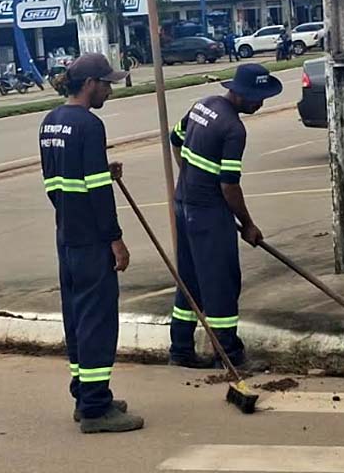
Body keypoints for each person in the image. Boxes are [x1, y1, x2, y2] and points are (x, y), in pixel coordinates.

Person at [40, 53, 144, 434]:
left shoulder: (50, 122)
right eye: (107, 83)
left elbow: (58, 183)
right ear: (89, 85)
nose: (110, 90)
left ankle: (85, 395)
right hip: (91, 241)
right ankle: (97, 410)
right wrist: (114, 239)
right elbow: (98, 192)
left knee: (77, 318)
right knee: (98, 321)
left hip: (66, 235)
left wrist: (101, 169)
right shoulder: (88, 124)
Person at [167, 63, 283, 369]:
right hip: (208, 213)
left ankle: (180, 349)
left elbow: (175, 139)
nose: (261, 102)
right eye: (257, 96)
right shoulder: (233, 129)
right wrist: (248, 224)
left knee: (189, 279)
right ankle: (229, 355)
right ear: (241, 93)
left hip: (183, 204)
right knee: (221, 283)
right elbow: (229, 186)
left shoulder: (202, 105)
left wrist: (189, 176)